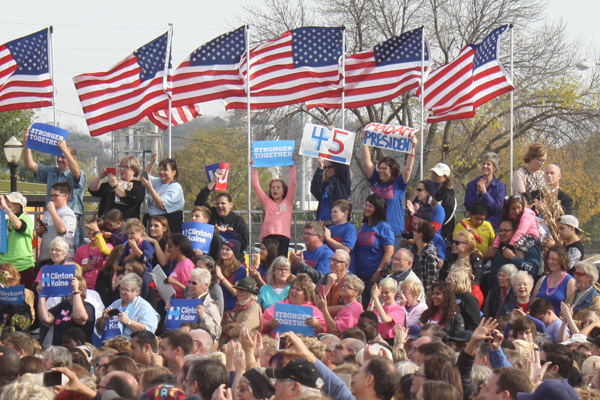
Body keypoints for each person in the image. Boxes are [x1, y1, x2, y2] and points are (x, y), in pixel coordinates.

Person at [24, 131, 87, 249]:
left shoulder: (78, 173)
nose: (59, 159)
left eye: (63, 157)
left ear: (73, 158)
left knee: (68, 252)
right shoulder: (51, 171)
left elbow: (77, 173)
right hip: (51, 219)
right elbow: (30, 165)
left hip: (70, 221)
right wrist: (28, 144)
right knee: (51, 252)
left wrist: (65, 150)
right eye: (58, 156)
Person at [362, 131, 418, 247]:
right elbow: (367, 162)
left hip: (394, 230)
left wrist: (413, 148)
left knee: (392, 262)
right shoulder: (376, 181)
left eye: (384, 168)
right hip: (375, 228)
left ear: (392, 170)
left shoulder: (399, 184)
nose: (381, 171)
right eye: (379, 168)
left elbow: (408, 169)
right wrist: (364, 142)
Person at [195, 169, 250, 253]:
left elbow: (244, 243)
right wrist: (213, 182)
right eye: (217, 203)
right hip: (214, 256)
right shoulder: (212, 214)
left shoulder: (237, 220)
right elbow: (199, 202)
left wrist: (226, 230)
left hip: (233, 258)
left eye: (223, 203)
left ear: (231, 205)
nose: (219, 206)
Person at [355, 194, 394, 308]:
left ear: (377, 209)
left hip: (374, 276)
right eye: (366, 205)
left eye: (370, 206)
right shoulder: (364, 227)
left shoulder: (384, 227)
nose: (366, 208)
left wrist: (378, 272)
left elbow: (389, 252)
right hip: (360, 275)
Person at [251, 158, 296, 254]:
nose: (274, 189)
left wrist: (292, 165)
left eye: (278, 188)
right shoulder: (267, 202)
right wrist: (254, 168)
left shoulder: (288, 202)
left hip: (283, 237)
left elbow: (292, 184)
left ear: (284, 191)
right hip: (268, 237)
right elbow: (256, 185)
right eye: (273, 187)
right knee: (267, 264)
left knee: (280, 263)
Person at [96, 273, 159, 338]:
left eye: (126, 290)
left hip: (130, 345)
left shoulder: (144, 307)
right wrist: (103, 319)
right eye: (121, 288)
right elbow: (100, 329)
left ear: (136, 292)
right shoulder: (116, 304)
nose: (122, 292)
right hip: (110, 343)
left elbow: (148, 332)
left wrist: (129, 322)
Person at [37, 276, 95, 347]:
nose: (67, 291)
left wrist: (75, 291)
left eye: (70, 288)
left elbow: (79, 318)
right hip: (59, 350)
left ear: (81, 291)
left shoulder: (88, 307)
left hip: (77, 351)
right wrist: (41, 295)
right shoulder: (63, 304)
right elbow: (46, 318)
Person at [263, 273, 327, 337]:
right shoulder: (279, 306)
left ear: (306, 294)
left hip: (305, 345)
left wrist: (318, 325)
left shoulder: (313, 310)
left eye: (298, 289)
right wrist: (268, 324)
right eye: (292, 288)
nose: (293, 291)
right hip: (279, 344)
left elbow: (323, 334)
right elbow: (261, 324)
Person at [487, 219, 541, 290]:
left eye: (506, 231)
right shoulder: (498, 246)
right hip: (496, 293)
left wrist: (514, 258)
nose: (502, 233)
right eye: (500, 230)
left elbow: (533, 270)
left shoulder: (527, 247)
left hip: (517, 293)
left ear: (516, 231)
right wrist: (484, 257)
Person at [88, 155, 146, 220]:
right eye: (121, 167)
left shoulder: (138, 185)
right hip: (105, 221)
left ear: (134, 170)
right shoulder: (112, 183)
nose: (122, 169)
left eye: (126, 167)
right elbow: (92, 190)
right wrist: (101, 177)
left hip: (125, 223)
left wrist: (115, 186)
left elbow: (129, 198)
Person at [141, 152, 185, 234]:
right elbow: (143, 177)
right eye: (160, 170)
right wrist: (152, 161)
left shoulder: (175, 187)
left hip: (168, 227)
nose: (162, 172)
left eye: (165, 170)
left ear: (173, 172)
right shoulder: (157, 181)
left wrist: (150, 188)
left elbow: (161, 205)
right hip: (152, 223)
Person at [464, 152, 506, 232]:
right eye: (483, 164)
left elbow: (497, 208)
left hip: (493, 228)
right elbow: (468, 206)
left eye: (488, 164)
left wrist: (485, 193)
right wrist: (477, 194)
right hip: (473, 227)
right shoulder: (472, 184)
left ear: (494, 168)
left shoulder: (500, 187)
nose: (485, 166)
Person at [0, 192, 35, 289]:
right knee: (5, 298)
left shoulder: (25, 218)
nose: (5, 203)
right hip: (5, 267)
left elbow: (18, 226)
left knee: (24, 298)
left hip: (23, 266)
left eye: (8, 201)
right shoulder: (5, 221)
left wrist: (7, 209)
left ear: (18, 205)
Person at [37, 182, 77, 265]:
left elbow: (62, 229)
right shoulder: (47, 213)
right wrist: (40, 231)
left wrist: (53, 212)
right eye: (51, 195)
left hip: (61, 259)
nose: (52, 198)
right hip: (45, 257)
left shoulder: (68, 213)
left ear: (65, 197)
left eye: (55, 195)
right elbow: (43, 234)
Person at [532, 245, 575, 315]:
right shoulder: (542, 280)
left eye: (554, 259)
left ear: (562, 260)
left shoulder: (570, 282)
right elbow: (533, 302)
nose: (550, 262)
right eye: (549, 258)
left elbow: (569, 307)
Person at [73, 219, 113, 290]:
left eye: (93, 230)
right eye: (89, 229)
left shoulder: (109, 246)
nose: (91, 232)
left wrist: (97, 233)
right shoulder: (81, 249)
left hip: (102, 288)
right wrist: (84, 269)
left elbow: (104, 251)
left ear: (102, 232)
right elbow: (74, 270)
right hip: (85, 288)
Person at [311, 156, 352, 224]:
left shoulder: (342, 183)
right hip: (321, 223)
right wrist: (320, 168)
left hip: (334, 223)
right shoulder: (326, 185)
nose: (327, 169)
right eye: (325, 167)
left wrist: (334, 153)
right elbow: (315, 190)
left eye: (330, 167)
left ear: (336, 168)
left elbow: (343, 167)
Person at [368, 278, 406, 345]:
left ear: (394, 292)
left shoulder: (399, 309)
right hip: (377, 339)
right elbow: (368, 317)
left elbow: (385, 319)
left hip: (390, 342)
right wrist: (372, 297)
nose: (384, 295)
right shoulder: (380, 307)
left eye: (387, 292)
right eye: (381, 292)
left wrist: (376, 298)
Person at [186, 268, 221, 338]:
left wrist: (203, 315)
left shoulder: (210, 305)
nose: (190, 285)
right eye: (189, 282)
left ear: (205, 285)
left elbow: (217, 331)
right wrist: (171, 310)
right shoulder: (187, 301)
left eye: (194, 283)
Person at [324, 199, 358, 271]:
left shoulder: (350, 228)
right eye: (332, 212)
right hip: (330, 268)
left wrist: (328, 239)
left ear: (345, 213)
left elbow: (346, 249)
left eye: (335, 212)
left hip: (345, 271)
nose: (332, 214)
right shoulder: (329, 229)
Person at [215, 239, 247, 312]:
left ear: (234, 253)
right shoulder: (218, 266)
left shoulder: (240, 269)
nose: (224, 251)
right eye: (222, 249)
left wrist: (221, 277)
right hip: (217, 305)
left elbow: (236, 292)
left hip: (231, 308)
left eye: (228, 249)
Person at [446, 266, 481, 331]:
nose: (447, 282)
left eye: (450, 280)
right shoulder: (449, 296)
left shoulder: (468, 298)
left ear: (459, 281)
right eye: (447, 279)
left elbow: (475, 324)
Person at [411, 220, 440, 292]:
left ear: (420, 234)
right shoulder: (411, 250)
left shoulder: (430, 256)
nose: (412, 232)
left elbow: (431, 282)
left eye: (414, 230)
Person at [430, 163, 457, 242]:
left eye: (437, 174)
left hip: (443, 235)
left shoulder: (449, 194)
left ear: (445, 178)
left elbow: (446, 216)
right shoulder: (427, 190)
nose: (433, 176)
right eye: (433, 173)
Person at [164, 233, 195, 299]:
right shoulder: (177, 264)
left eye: (170, 247)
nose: (168, 250)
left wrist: (175, 282)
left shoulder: (187, 265)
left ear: (178, 247)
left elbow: (190, 290)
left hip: (183, 305)